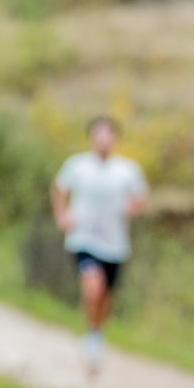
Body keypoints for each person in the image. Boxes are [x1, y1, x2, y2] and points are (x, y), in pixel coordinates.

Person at [51, 116, 149, 373]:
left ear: (115, 139)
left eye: (109, 135)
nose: (104, 140)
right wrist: (62, 216)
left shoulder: (127, 170)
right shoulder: (77, 165)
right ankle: (92, 337)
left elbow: (140, 199)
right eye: (99, 134)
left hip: (114, 243)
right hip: (84, 238)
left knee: (105, 296)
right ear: (92, 138)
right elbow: (59, 188)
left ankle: (96, 332)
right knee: (94, 288)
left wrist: (132, 206)